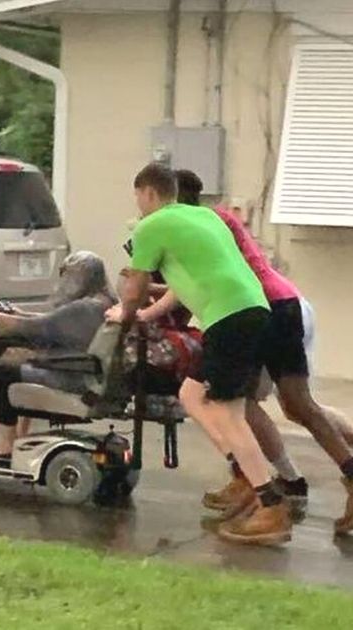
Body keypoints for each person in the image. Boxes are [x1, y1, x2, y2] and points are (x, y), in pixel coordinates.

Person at [140, 169, 353, 533]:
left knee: (235, 403)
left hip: (260, 308)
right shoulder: (212, 220)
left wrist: (139, 305)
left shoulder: (199, 224)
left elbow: (201, 278)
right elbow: (190, 280)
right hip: (281, 301)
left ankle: (262, 485)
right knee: (295, 405)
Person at [112, 162, 292, 545]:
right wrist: (145, 312)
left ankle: (270, 504)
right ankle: (246, 476)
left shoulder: (152, 226)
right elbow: (189, 278)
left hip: (229, 318)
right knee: (191, 394)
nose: (139, 207)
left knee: (228, 414)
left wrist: (126, 318)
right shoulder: (204, 218)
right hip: (252, 309)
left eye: (138, 198)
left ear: (147, 193)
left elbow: (134, 286)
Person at [0, 251, 117, 460]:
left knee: (3, 373)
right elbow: (53, 321)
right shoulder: (105, 302)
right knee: (23, 363)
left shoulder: (84, 307)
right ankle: (21, 437)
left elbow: (35, 327)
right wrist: (17, 312)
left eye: (67, 275)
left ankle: (4, 447)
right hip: (89, 373)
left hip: (73, 376)